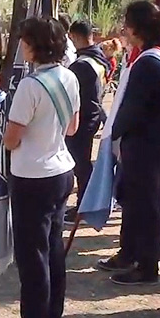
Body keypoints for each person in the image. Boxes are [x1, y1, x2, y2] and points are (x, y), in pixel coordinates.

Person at [3, 16, 80, 318]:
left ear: (33, 46)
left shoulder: (30, 86)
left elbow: (11, 139)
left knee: (32, 257)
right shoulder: (69, 77)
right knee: (52, 251)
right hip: (61, 169)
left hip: (33, 175)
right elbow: (73, 127)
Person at [97, 1, 160, 286]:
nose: (124, 29)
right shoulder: (159, 55)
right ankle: (129, 252)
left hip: (146, 145)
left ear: (136, 28)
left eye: (127, 24)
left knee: (145, 206)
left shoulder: (149, 62)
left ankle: (147, 266)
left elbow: (133, 109)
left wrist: (112, 132)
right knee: (133, 202)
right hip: (151, 143)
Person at [64, 20, 110, 222]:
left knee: (80, 165)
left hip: (82, 118)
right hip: (93, 114)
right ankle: (84, 203)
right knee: (82, 164)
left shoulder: (81, 64)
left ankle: (84, 205)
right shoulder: (99, 59)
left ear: (75, 36)